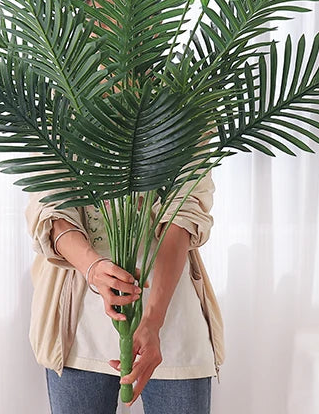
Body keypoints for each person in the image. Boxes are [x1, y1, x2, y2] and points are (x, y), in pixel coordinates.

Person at [25, 172, 224, 413]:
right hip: (78, 331)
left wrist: (152, 322)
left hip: (174, 324)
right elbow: (50, 204)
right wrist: (93, 269)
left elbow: (184, 211)